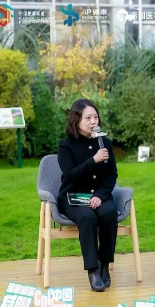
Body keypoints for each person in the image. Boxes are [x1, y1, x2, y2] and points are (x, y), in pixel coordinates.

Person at [57, 99, 118, 292]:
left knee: (108, 213)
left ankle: (104, 265)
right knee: (87, 217)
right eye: (88, 118)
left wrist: (100, 195)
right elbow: (70, 175)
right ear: (77, 120)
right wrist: (93, 160)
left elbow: (112, 174)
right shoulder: (66, 145)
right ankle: (92, 271)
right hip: (73, 197)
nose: (93, 122)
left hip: (99, 195)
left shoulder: (104, 142)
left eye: (95, 117)